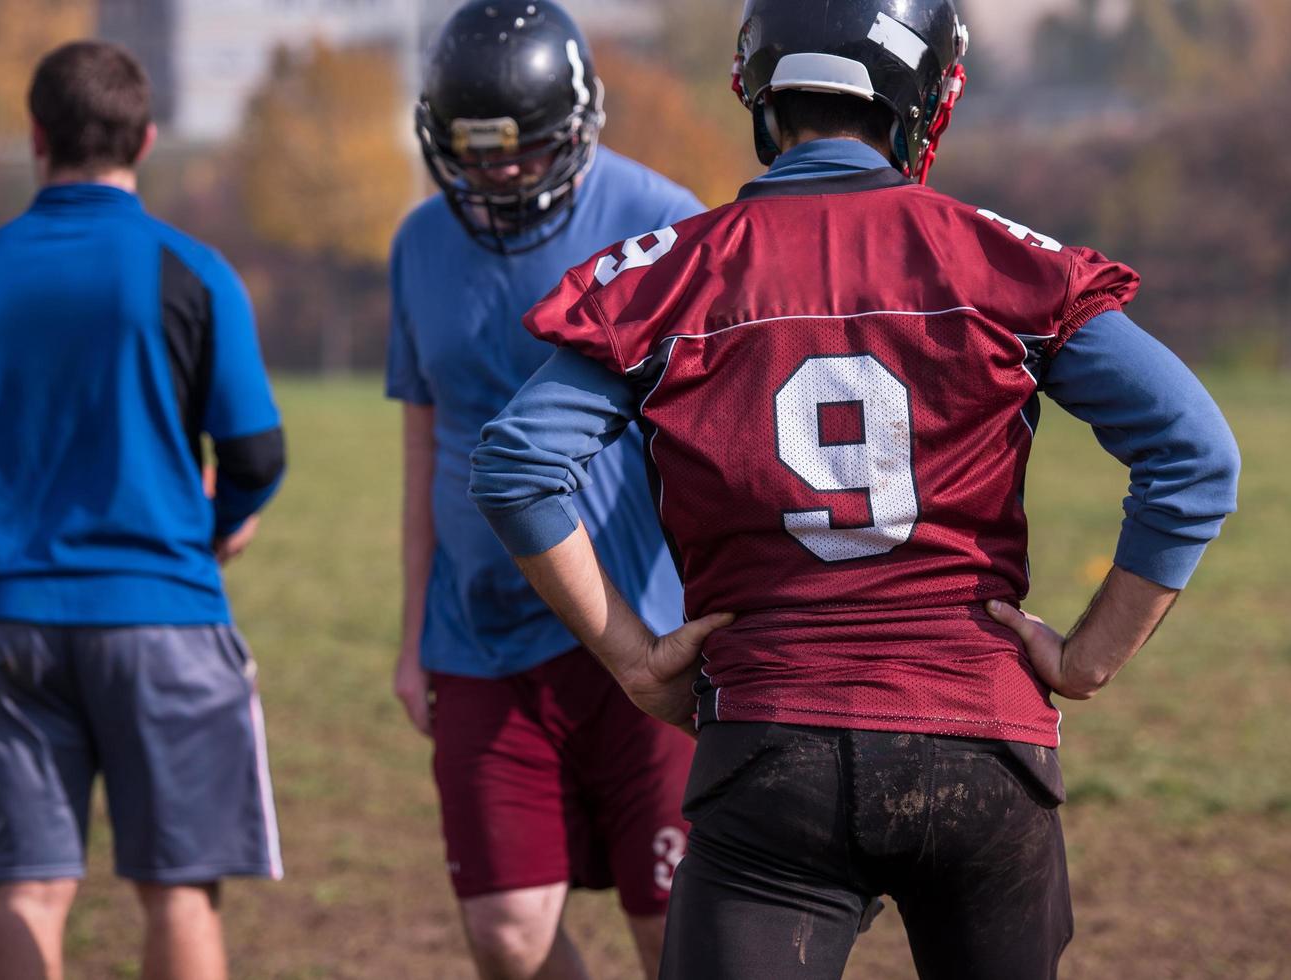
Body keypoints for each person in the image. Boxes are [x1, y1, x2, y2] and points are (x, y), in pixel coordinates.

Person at [470, 1, 1243, 977]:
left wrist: (632, 658)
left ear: (759, 89)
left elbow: (516, 465)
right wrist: (1087, 655)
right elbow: (1194, 451)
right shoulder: (996, 258)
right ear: (923, 95)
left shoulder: (669, 275)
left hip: (769, 744)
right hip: (979, 744)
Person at [386, 4, 704, 977]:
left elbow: (714, 442)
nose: (502, 175)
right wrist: (410, 634)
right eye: (478, 156)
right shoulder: (417, 242)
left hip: (641, 627)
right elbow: (423, 444)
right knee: (505, 933)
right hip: (478, 635)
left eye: (525, 152)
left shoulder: (664, 220)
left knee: (673, 930)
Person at [0, 41, 285, 980]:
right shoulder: (189, 270)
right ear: (146, 139)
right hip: (160, 612)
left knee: (25, 889)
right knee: (178, 888)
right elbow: (256, 452)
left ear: (37, 136)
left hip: (6, 620)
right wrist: (225, 516)